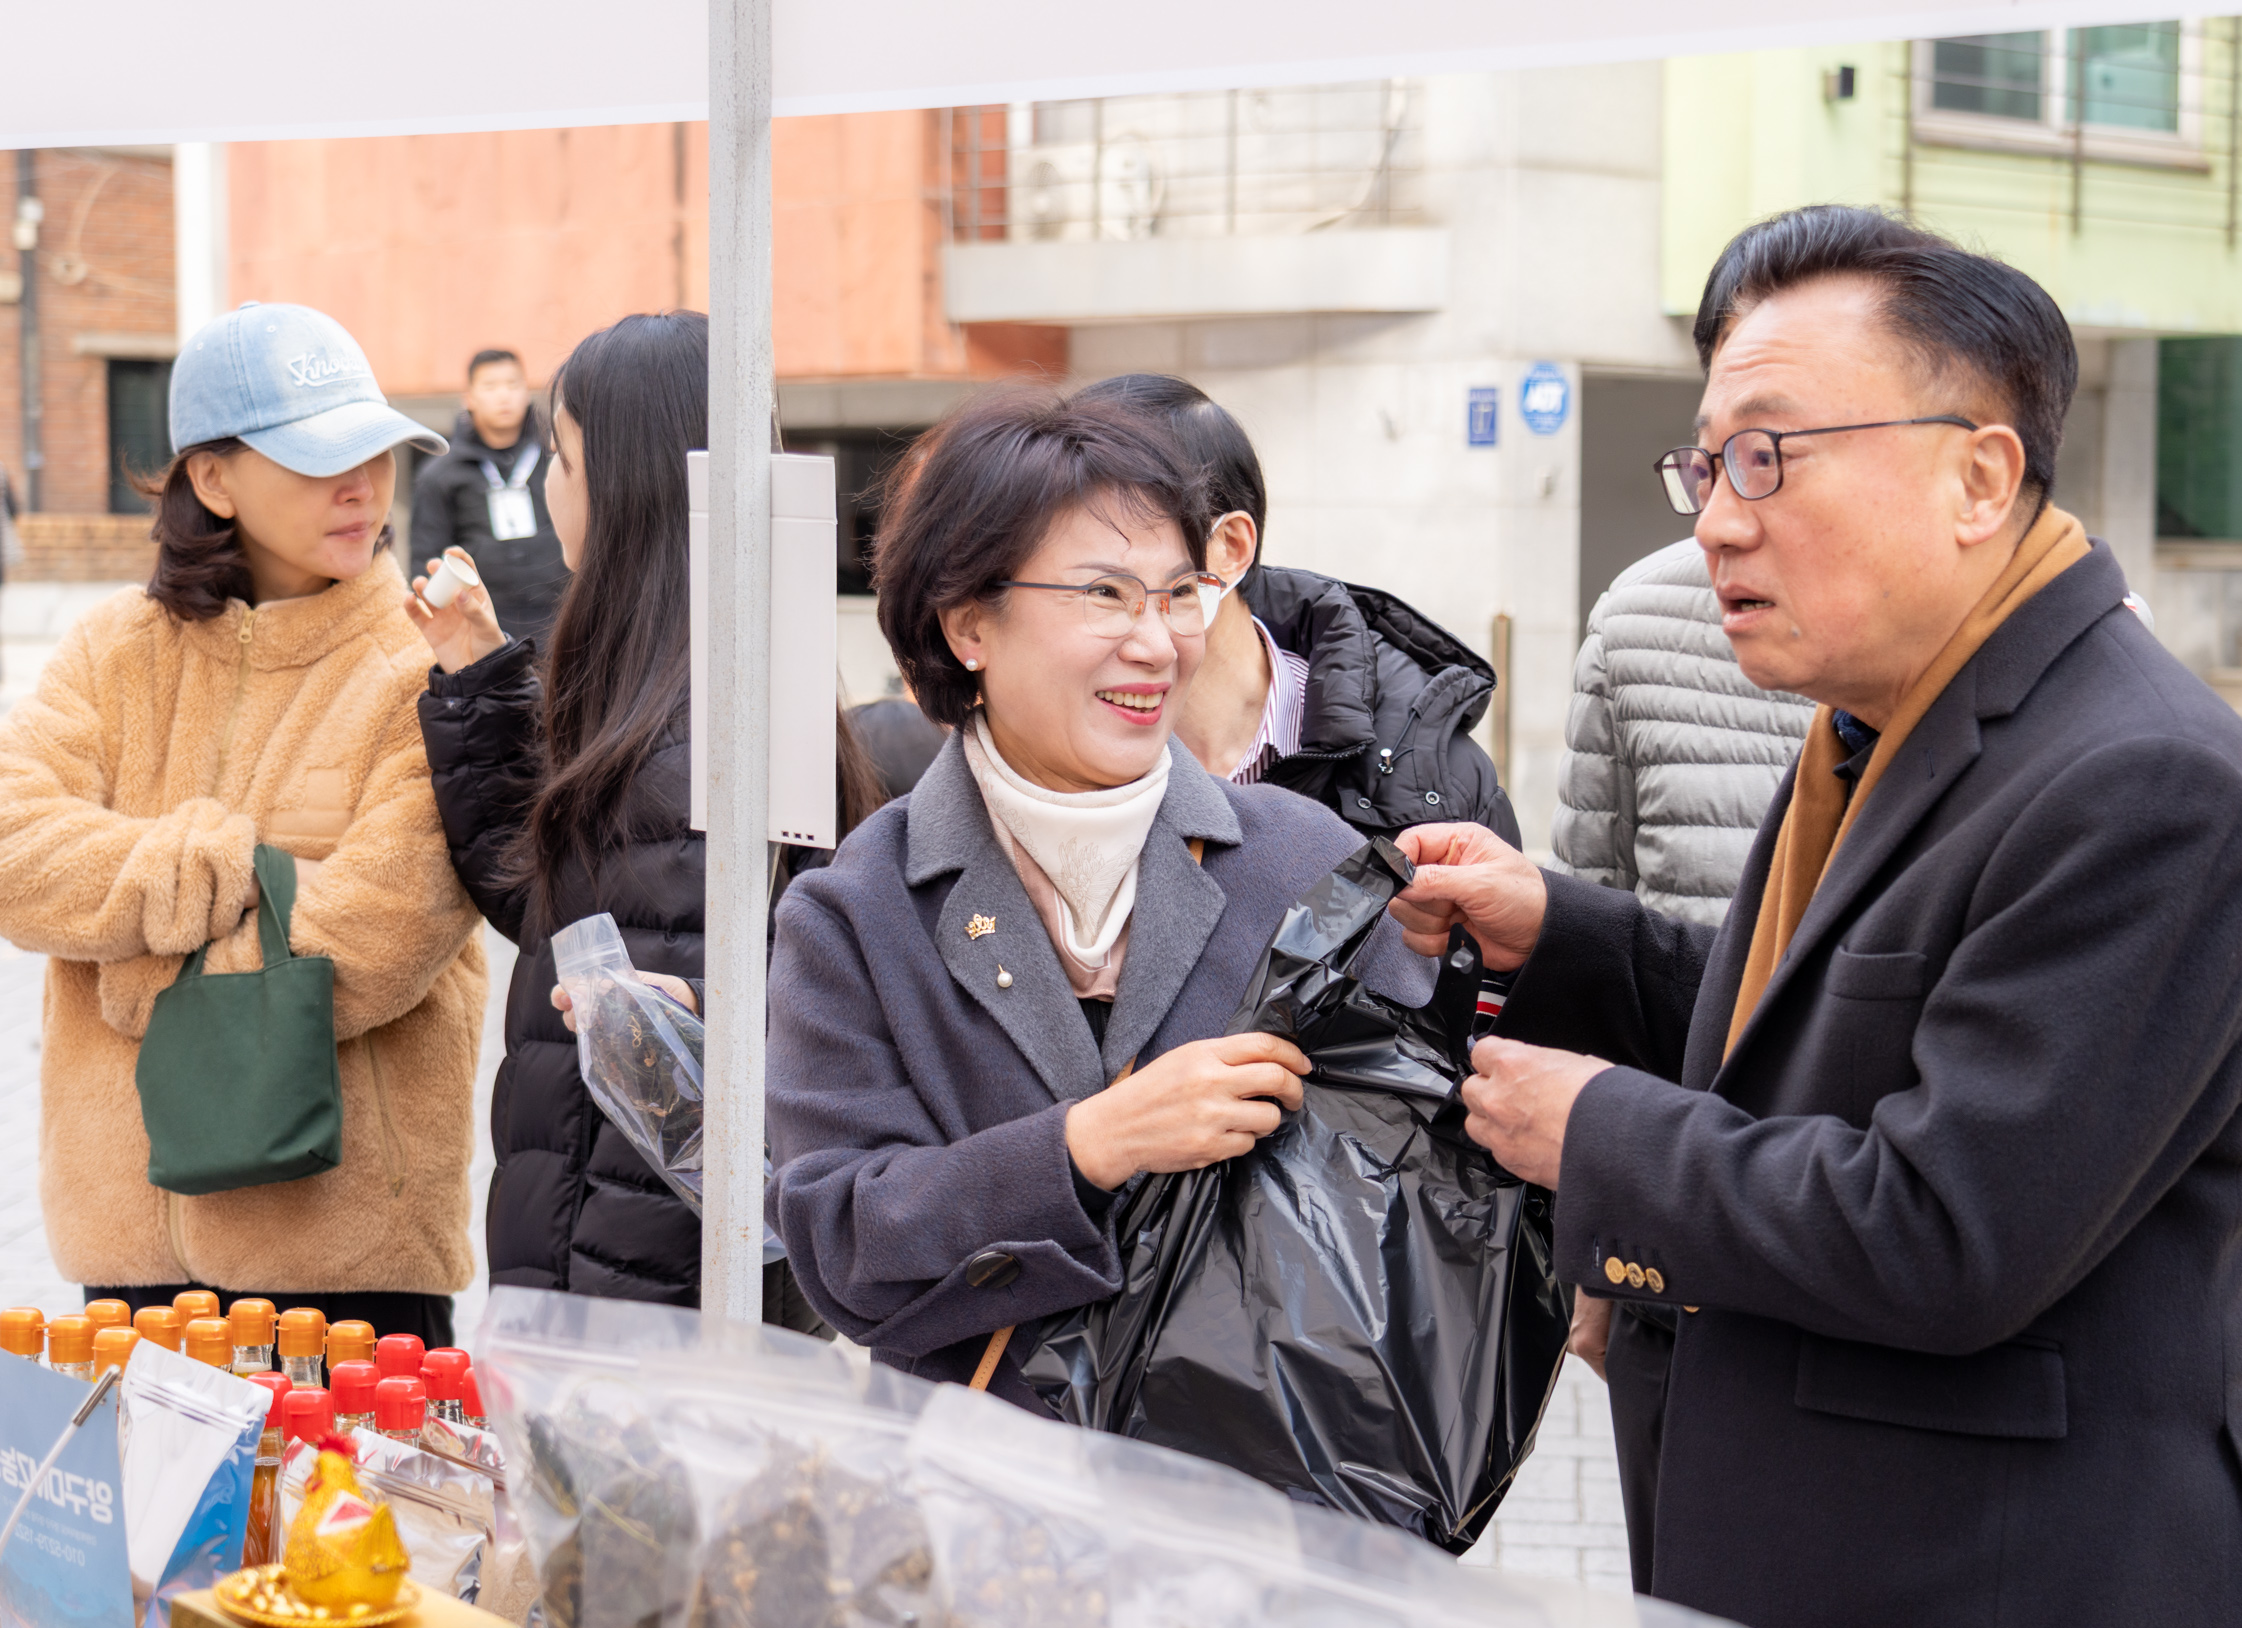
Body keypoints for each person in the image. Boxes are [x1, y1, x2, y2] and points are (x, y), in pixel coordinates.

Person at [1386, 205, 2242, 1628]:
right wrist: (1568, 927)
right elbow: (1820, 1033)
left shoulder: (2144, 778)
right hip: (1851, 1585)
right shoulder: (1881, 720)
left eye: (1771, 452)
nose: (1716, 516)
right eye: (1707, 461)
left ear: (1978, 473)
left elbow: (1950, 1225)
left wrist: (1599, 1132)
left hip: (2020, 1614)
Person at [763, 386, 1433, 1405]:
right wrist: (1088, 1146)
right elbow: (842, 1242)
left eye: (1176, 593)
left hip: (1264, 1500)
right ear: (967, 624)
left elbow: (1416, 1189)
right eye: (1105, 595)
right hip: (974, 1513)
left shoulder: (1310, 867)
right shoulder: (860, 908)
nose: (1157, 643)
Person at [0, 302, 485, 1345]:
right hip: (125, 1261)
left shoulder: (423, 672)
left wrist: (125, 964)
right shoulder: (113, 651)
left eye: (376, 451)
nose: (362, 485)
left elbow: (375, 937)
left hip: (346, 1271)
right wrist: (214, 869)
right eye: (318, 459)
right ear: (212, 479)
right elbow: (11, 846)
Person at [404, 310, 882, 1329]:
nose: (546, 482)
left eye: (561, 456)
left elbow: (794, 1002)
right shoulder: (673, 677)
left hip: (641, 1269)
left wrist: (696, 1002)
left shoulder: (703, 731)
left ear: (620, 483)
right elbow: (552, 915)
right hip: (607, 1224)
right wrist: (485, 676)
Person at [1550, 537, 1812, 1592]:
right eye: (1710, 460)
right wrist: (1599, 1258)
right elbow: (1595, 910)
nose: (1729, 512)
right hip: (1675, 1226)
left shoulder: (2011, 652)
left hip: (1803, 1210)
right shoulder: (1640, 612)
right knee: (1684, 1606)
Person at [1075, 373, 1519, 844]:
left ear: (1229, 547)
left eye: (1109, 582)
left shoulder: (1428, 775)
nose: (1092, 602)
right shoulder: (1049, 747)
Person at [410, 347, 572, 644]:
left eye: (512, 385)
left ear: (526, 393)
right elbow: (426, 560)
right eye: (490, 387)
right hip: (484, 629)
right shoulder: (440, 474)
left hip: (563, 622)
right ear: (468, 399)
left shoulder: (559, 457)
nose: (503, 396)